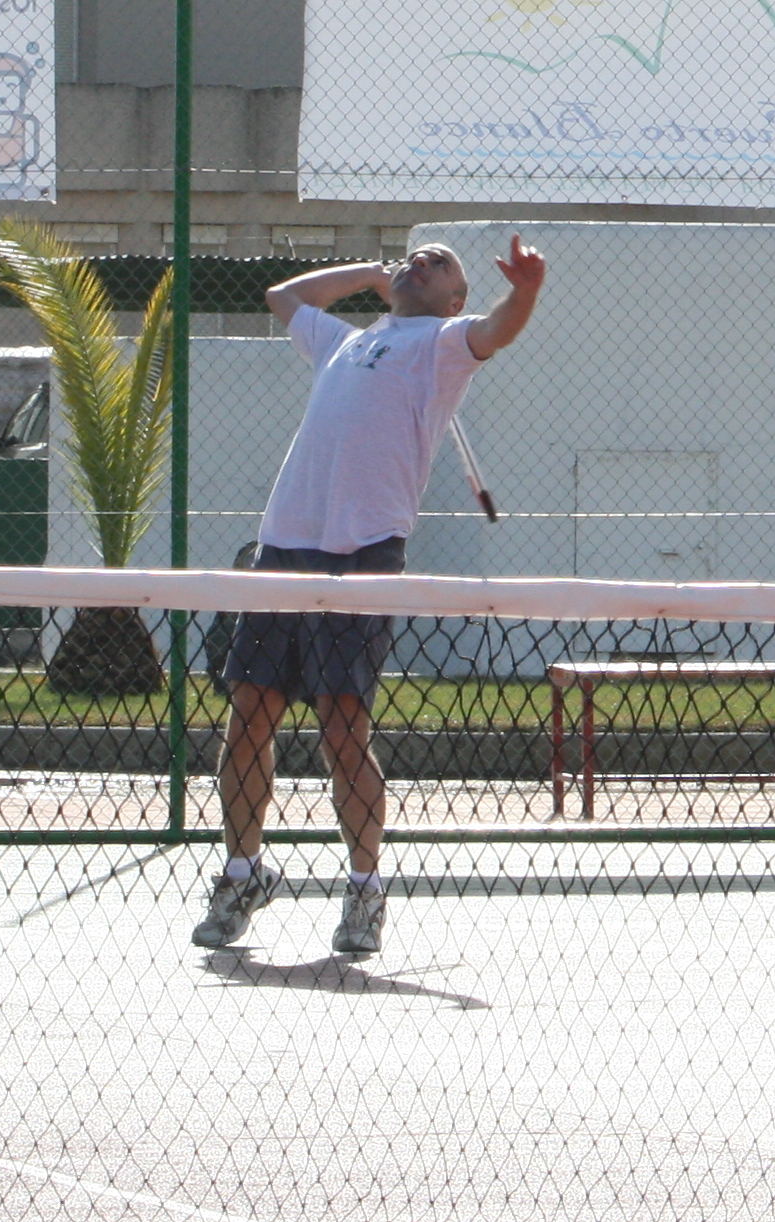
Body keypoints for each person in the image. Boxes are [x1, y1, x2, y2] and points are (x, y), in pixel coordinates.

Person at [191, 237, 546, 961]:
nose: (422, 262)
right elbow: (284, 297)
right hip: (285, 548)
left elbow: (499, 328)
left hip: (363, 554)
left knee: (342, 728)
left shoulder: (443, 345)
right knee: (249, 718)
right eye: (416, 257)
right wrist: (369, 274)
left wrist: (528, 289)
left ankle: (363, 889)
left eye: (440, 263)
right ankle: (242, 875)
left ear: (454, 299)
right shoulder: (345, 343)